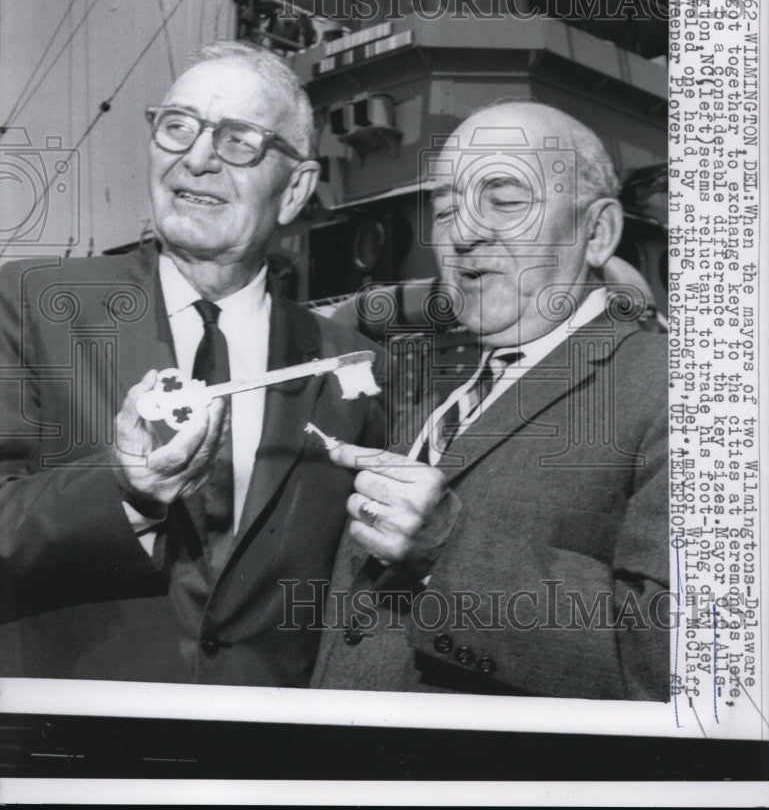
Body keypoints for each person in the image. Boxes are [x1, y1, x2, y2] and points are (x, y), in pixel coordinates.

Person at [0, 41, 384, 686]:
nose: (196, 158)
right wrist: (124, 492)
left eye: (238, 140)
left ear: (295, 189)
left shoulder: (352, 369)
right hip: (69, 761)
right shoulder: (32, 304)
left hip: (264, 769)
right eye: (177, 126)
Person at [311, 101, 669, 701]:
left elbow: (674, 659)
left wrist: (450, 551)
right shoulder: (438, 397)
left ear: (598, 232)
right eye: (447, 208)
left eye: (505, 201)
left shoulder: (678, 391)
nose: (462, 232)